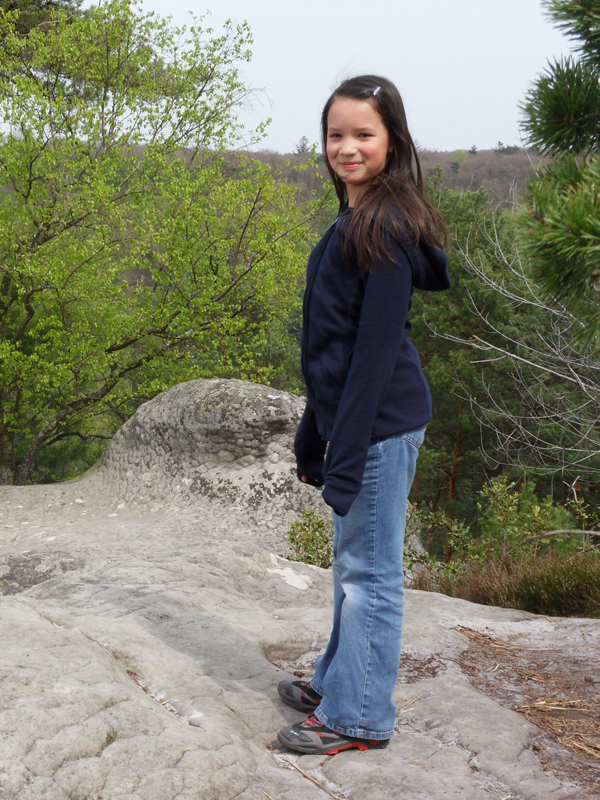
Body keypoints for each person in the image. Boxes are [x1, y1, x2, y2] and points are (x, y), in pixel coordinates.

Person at [276, 75, 451, 756]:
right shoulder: (355, 217)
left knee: (369, 574)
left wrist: (345, 452)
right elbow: (329, 348)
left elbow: (372, 358)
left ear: (392, 141)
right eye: (335, 134)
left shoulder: (383, 230)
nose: (346, 147)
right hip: (358, 419)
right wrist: (311, 435)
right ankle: (337, 683)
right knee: (353, 565)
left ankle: (357, 715)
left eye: (363, 135)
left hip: (379, 422)